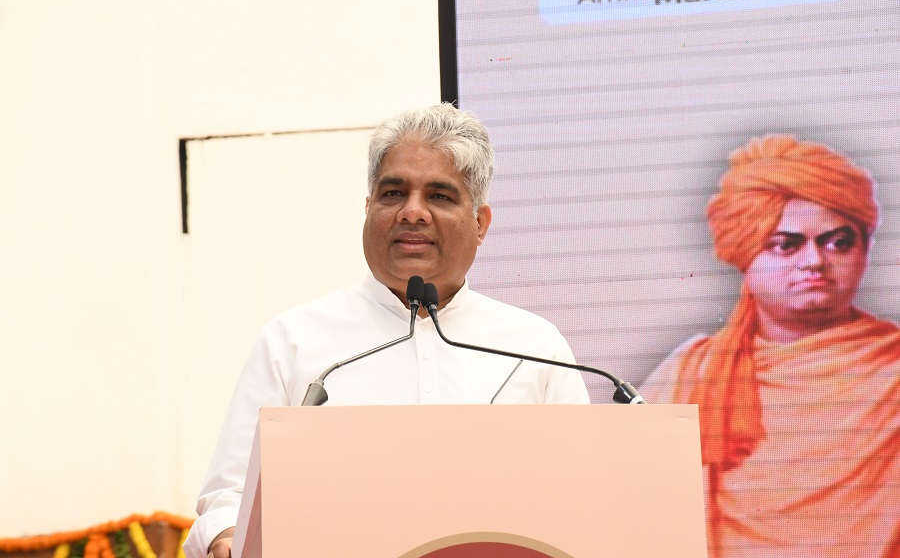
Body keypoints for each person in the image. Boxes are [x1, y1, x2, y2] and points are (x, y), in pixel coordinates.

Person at [183, 104, 591, 558]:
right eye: (393, 193)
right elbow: (229, 499)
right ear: (368, 208)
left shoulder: (535, 347)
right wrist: (225, 537)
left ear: (480, 224)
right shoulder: (293, 341)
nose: (412, 212)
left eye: (439, 196)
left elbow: (586, 496)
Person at [641, 135, 899, 558]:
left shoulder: (893, 366)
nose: (814, 261)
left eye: (838, 242)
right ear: (745, 254)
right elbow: (628, 502)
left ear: (865, 249)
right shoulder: (693, 371)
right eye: (786, 245)